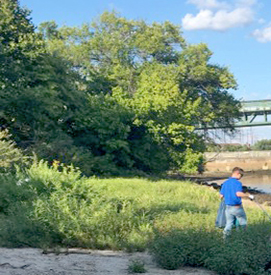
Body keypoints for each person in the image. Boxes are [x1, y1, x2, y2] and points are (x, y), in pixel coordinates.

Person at [219, 167, 254, 237]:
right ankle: (243, 237)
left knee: (229, 224)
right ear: (237, 174)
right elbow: (238, 193)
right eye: (241, 176)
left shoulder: (225, 183)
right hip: (237, 207)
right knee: (243, 223)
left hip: (228, 208)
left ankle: (225, 239)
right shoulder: (238, 183)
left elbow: (221, 196)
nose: (240, 178)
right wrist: (249, 196)